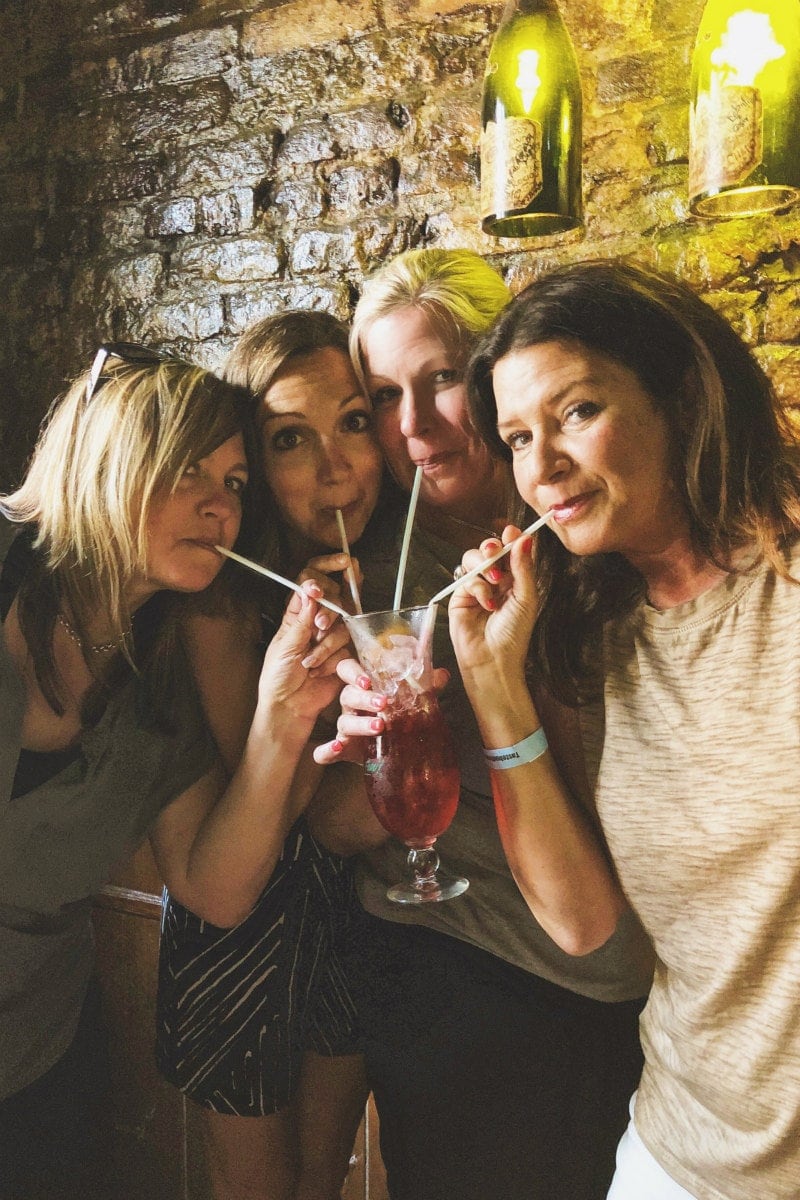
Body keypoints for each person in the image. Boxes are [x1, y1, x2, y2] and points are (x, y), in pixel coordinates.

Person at [446, 258, 800, 1200]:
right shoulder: (595, 633)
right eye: (518, 439)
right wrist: (494, 684)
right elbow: (581, 922)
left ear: (679, 395)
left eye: (575, 413)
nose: (544, 467)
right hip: (675, 1153)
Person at [312, 249, 654, 1200]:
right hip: (427, 968)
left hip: (581, 982)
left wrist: (493, 686)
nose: (412, 427)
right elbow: (337, 826)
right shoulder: (371, 577)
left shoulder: (586, 543)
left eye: (442, 381)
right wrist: (374, 734)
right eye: (383, 395)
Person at [0, 344, 350, 1200]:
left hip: (34, 1059)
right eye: (188, 469)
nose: (219, 506)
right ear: (112, 457)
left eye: (235, 483)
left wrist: (282, 717)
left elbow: (212, 885)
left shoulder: (159, 675)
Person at [156, 311, 403, 1200]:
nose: (335, 467)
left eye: (353, 423)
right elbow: (277, 810)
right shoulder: (220, 606)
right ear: (256, 469)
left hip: (346, 912)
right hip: (242, 920)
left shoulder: (391, 577)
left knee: (321, 1182)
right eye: (292, 439)